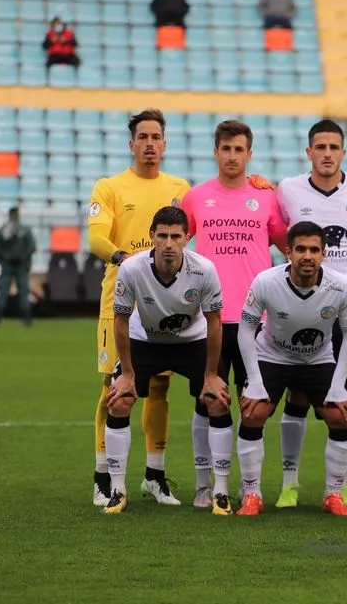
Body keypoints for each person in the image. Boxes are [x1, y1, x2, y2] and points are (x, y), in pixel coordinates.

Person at [87, 109, 190, 508]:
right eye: (142, 137)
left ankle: (155, 475)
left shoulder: (179, 188)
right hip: (120, 304)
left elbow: (210, 215)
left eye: (156, 137)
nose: (149, 143)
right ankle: (104, 478)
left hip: (166, 304)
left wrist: (254, 183)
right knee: (114, 388)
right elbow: (96, 237)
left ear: (164, 144)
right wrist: (122, 258)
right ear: (132, 144)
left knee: (161, 386)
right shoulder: (110, 187)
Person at [274, 119, 347, 510]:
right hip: (302, 310)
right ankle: (289, 483)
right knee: (297, 396)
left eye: (334, 147)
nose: (327, 154)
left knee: (344, 400)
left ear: (343, 152)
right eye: (320, 147)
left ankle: (344, 484)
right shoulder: (288, 189)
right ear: (309, 152)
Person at [181, 119, 285, 510]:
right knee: (207, 400)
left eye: (239, 149)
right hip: (206, 317)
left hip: (254, 319)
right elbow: (174, 243)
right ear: (215, 152)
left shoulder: (267, 198)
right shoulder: (196, 198)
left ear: (249, 154)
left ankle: (248, 485)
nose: (232, 156)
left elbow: (287, 246)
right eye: (225, 148)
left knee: (251, 402)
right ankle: (204, 483)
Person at [103, 206, 230, 515]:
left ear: (187, 238)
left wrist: (212, 374)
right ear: (152, 237)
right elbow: (120, 320)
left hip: (192, 342)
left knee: (217, 400)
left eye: (176, 236)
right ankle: (117, 491)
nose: (169, 243)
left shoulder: (204, 269)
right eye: (163, 236)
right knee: (119, 400)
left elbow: (215, 322)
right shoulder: (132, 269)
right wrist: (128, 373)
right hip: (145, 340)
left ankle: (221, 492)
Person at [236, 221, 347, 517]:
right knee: (253, 412)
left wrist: (339, 384)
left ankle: (333, 493)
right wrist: (253, 380)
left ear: (324, 253)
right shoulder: (266, 281)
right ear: (288, 252)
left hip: (318, 359)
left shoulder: (340, 286)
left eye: (314, 250)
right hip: (273, 357)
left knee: (341, 416)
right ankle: (252, 492)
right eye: (301, 249)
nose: (308, 256)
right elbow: (245, 330)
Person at [0, 207, 37, 326]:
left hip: (9, 265)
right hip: (19, 265)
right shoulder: (25, 230)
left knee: (4, 291)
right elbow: (32, 247)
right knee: (22, 291)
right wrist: (24, 258)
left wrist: (5, 257)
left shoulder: (3, 230)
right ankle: (26, 319)